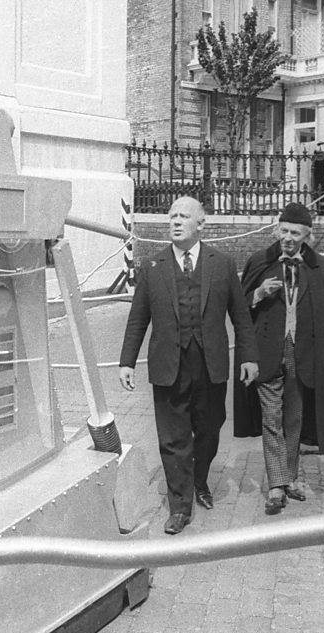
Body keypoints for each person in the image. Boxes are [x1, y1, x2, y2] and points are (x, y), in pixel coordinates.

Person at [119, 197, 258, 535]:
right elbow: (138, 318)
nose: (175, 222)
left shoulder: (222, 264)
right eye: (172, 216)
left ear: (201, 224)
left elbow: (241, 316)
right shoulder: (153, 266)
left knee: (210, 429)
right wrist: (126, 362)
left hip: (210, 364)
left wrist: (249, 356)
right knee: (173, 438)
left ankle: (199, 478)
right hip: (168, 364)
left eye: (183, 216)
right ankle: (180, 506)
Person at [232, 203, 324, 516]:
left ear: (307, 235)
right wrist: (258, 294)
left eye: (296, 233)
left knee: (293, 419)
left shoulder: (319, 268)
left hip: (302, 356)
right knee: (271, 419)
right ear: (276, 230)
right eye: (284, 231)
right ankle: (277, 485)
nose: (288, 238)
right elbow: (238, 309)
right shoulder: (259, 262)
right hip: (267, 354)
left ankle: (289, 477)